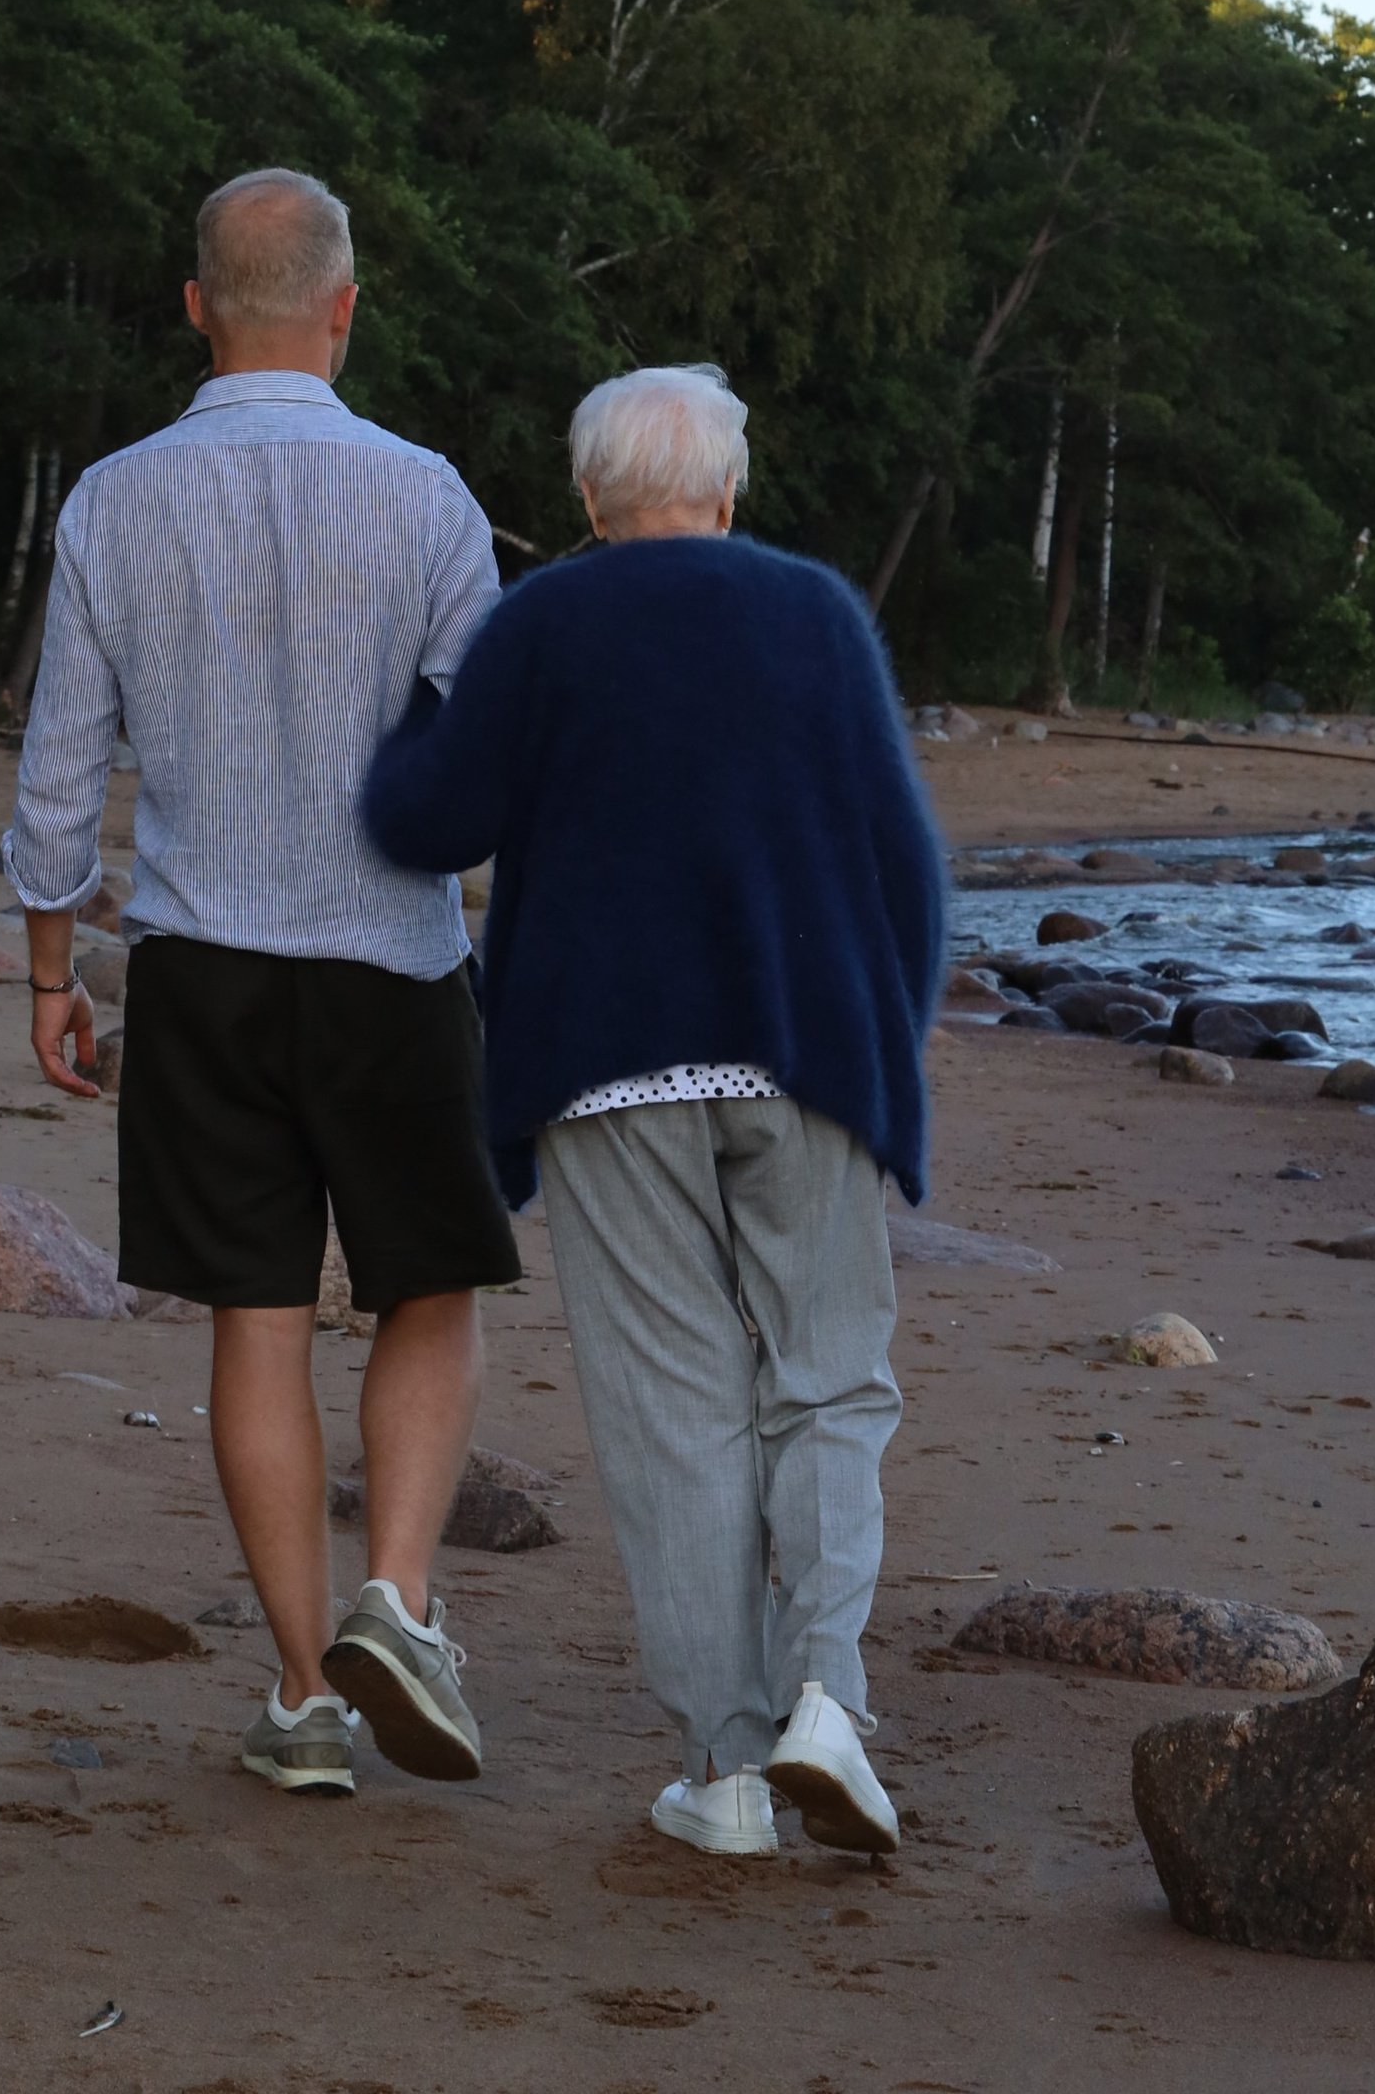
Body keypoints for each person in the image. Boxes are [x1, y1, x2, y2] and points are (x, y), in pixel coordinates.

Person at [363, 363, 945, 1860]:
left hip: (609, 1063)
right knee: (828, 1380)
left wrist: (393, 725)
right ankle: (828, 1700)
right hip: (805, 1051)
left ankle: (728, 1776)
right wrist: (892, 1045)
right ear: (730, 490)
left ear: (588, 499)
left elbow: (427, 819)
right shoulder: (816, 612)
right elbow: (906, 868)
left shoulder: (542, 624)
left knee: (674, 1410)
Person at [7, 165, 521, 1798]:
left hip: (203, 967)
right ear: (346, 307)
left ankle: (306, 1697)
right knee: (428, 1286)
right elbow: (486, 753)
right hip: (390, 958)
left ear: (196, 309)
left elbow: (56, 770)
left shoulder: (111, 499)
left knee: (256, 1317)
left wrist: (45, 967)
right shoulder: (430, 496)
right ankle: (402, 1603)